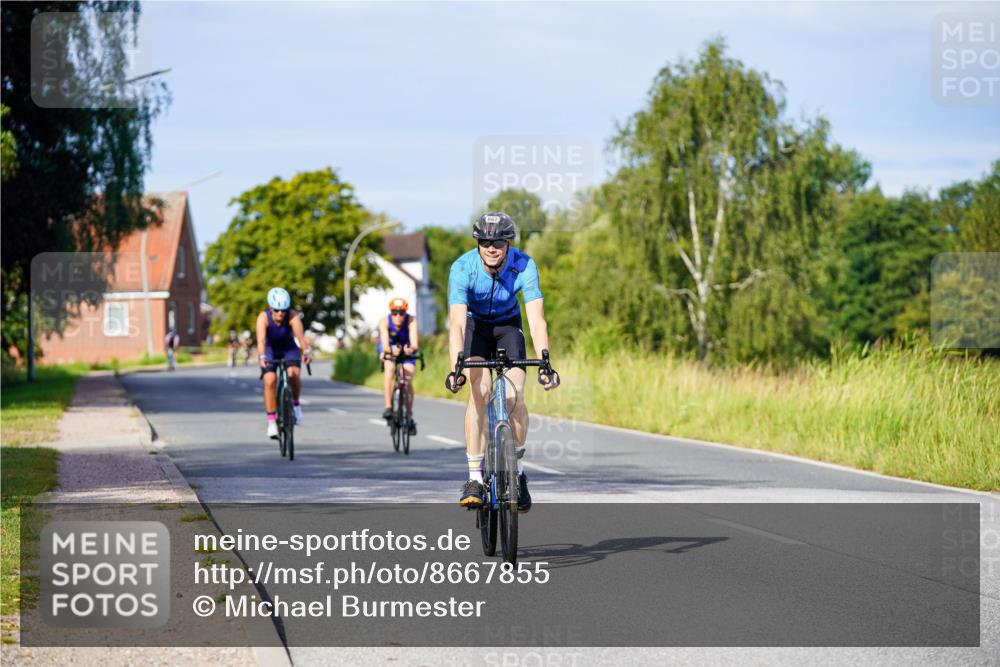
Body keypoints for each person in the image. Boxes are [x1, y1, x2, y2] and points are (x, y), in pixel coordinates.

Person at [444, 212, 560, 511]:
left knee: (513, 396)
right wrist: (456, 366)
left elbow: (536, 318)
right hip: (475, 328)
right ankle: (474, 478)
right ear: (478, 243)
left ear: (508, 243)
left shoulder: (524, 264)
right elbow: (456, 323)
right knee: (479, 394)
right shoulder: (462, 268)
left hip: (509, 326)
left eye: (498, 241)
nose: (491, 247)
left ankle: (518, 473)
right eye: (484, 241)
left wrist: (545, 360)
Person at [257, 287, 312, 439]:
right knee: (270, 380)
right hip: (269, 350)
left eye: (283, 310)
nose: (280, 313)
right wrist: (262, 356)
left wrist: (306, 352)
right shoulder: (263, 317)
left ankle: (295, 404)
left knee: (293, 374)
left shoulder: (292, 315)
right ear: (270, 308)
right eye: (276, 310)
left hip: (288, 348)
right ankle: (271, 422)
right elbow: (261, 340)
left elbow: (301, 338)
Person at [378, 297, 420, 435]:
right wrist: (390, 350)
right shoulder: (384, 321)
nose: (398, 316)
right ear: (391, 312)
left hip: (406, 349)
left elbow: (415, 344)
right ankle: (389, 407)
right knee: (389, 369)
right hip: (389, 349)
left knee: (408, 378)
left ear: (405, 312)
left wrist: (410, 349)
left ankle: (409, 414)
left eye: (401, 313)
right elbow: (384, 345)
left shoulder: (411, 320)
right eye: (394, 313)